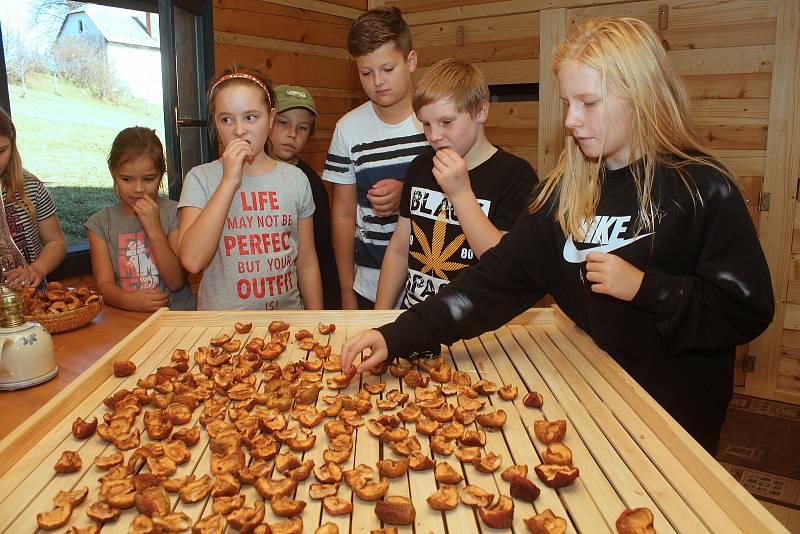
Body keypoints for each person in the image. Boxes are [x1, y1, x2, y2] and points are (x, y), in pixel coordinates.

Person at [342, 17, 775, 454]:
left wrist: (646, 288)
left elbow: (746, 310)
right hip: (596, 401)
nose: (571, 120)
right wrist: (396, 335)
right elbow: (490, 283)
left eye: (588, 102)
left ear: (640, 95)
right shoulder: (564, 194)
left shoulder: (702, 186)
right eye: (568, 102)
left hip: (676, 417)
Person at [375, 59, 538, 309]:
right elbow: (398, 249)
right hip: (413, 319)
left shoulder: (515, 176)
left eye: (446, 122)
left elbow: (504, 265)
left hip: (477, 329)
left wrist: (461, 193)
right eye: (426, 124)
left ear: (481, 112)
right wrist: (380, 316)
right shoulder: (420, 167)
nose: (434, 136)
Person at [178, 66, 323, 311]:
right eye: (226, 119)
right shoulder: (200, 178)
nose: (239, 129)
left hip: (287, 324)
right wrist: (228, 182)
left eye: (251, 117)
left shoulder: (295, 180)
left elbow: (307, 263)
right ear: (216, 122)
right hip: (221, 330)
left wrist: (316, 319)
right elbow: (192, 260)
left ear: (271, 118)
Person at [324, 6, 430, 310]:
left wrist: (407, 193)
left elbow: (463, 193)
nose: (378, 82)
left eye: (387, 69)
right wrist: (346, 291)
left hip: (431, 280)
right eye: (366, 73)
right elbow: (343, 213)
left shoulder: (436, 120)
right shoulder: (347, 128)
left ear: (410, 61)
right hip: (369, 282)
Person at [85, 127, 196, 312]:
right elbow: (104, 285)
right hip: (130, 324)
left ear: (161, 175)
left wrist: (154, 230)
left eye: (148, 179)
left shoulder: (174, 213)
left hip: (178, 320)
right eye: (127, 179)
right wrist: (128, 301)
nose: (138, 189)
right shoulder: (100, 225)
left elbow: (176, 282)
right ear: (113, 173)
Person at [269, 84, 341, 309]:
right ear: (266, 119)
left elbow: (320, 253)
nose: (292, 134)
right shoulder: (239, 175)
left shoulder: (309, 183)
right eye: (283, 123)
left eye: (302, 128)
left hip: (296, 302)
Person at [0, 107, 66, 289]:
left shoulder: (31, 189)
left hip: (35, 303)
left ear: (12, 145)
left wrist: (37, 268)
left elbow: (56, 242)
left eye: (1, 151)